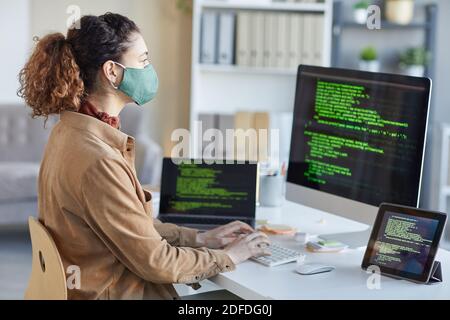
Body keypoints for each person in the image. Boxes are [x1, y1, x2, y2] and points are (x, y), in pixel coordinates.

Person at [18, 12, 270, 300]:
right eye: (143, 60)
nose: (150, 70)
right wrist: (231, 256)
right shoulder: (97, 160)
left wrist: (200, 239)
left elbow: (131, 226)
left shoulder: (68, 132)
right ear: (112, 72)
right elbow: (158, 263)